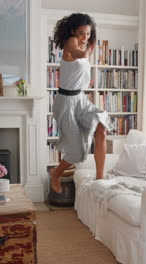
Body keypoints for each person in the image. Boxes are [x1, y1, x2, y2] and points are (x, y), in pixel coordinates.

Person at [50, 13, 113, 193]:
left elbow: (77, 71)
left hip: (80, 98)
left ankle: (100, 177)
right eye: (81, 33)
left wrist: (86, 83)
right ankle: (56, 173)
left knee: (101, 128)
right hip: (66, 102)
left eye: (87, 33)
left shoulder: (83, 43)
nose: (85, 37)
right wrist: (87, 51)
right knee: (77, 152)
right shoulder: (71, 42)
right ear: (72, 31)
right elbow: (78, 54)